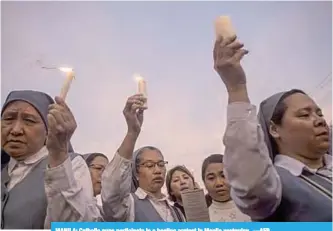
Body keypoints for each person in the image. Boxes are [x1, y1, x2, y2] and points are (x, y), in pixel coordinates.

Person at [213, 34, 332, 221]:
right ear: (275, 130)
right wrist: (236, 88)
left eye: (319, 113)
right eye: (304, 115)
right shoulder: (275, 184)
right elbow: (251, 183)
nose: (318, 120)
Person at [1, 90, 100, 229]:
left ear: (48, 129)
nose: (16, 130)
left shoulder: (71, 165)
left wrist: (58, 155)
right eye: (8, 119)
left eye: (29, 120)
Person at [101, 94, 185, 222]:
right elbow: (112, 191)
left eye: (161, 164)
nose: (157, 170)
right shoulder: (128, 205)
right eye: (150, 165)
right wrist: (132, 133)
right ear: (137, 173)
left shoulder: (177, 213)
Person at [201, 154, 250, 222]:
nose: (219, 183)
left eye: (223, 175)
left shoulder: (254, 210)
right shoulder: (202, 221)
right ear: (204, 183)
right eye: (211, 178)